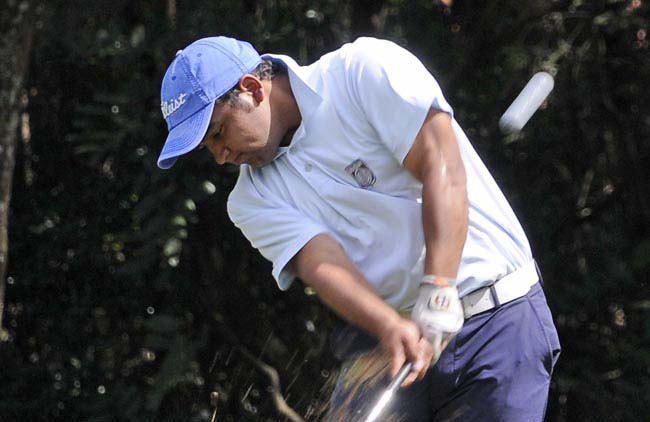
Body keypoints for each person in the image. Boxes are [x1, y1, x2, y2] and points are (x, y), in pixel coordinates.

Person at [157, 35, 561, 421]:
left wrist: (438, 287)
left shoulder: (363, 71)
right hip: (395, 344)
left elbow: (443, 167)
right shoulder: (250, 201)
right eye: (207, 148)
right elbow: (322, 263)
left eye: (218, 133)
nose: (221, 156)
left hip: (498, 322)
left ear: (251, 89)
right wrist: (388, 325)